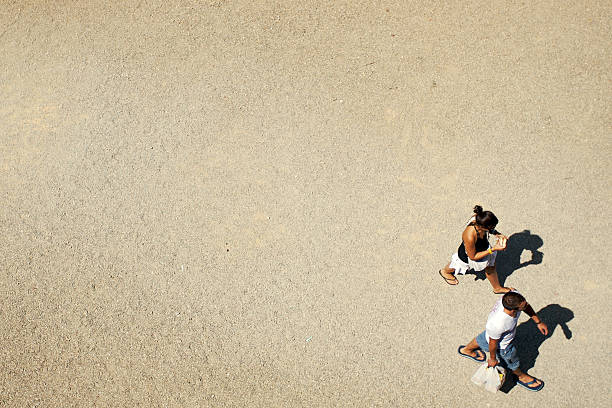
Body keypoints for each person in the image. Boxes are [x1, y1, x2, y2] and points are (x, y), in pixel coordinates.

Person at [457, 291, 549, 392]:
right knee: (512, 362)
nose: (526, 305)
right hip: (503, 346)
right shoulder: (499, 324)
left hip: (490, 334)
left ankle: (466, 350)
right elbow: (493, 343)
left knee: (483, 338)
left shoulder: (511, 297)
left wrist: (538, 322)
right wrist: (492, 359)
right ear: (514, 310)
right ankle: (520, 377)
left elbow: (526, 307)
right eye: (523, 306)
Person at [439, 205, 512, 294]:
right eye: (491, 228)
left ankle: (497, 288)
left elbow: (489, 230)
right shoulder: (469, 236)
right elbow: (473, 256)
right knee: (458, 265)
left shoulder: (479, 219)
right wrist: (493, 249)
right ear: (482, 227)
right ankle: (445, 272)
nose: (492, 229)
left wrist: (498, 234)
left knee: (490, 267)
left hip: (482, 248)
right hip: (468, 256)